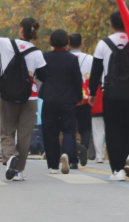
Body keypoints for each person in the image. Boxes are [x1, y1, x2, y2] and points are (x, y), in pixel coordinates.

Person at [0, 15, 47, 181]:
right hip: (29, 98)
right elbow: (44, 75)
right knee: (25, 135)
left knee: (7, 131)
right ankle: (19, 170)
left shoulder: (6, 43)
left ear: (21, 29)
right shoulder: (37, 53)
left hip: (7, 96)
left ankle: (10, 157)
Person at [89, 11, 129, 181]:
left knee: (113, 130)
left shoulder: (103, 44)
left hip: (111, 93)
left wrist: (92, 92)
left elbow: (96, 71)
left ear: (111, 24)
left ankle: (117, 169)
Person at [40, 30, 83, 174]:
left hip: (49, 98)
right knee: (69, 130)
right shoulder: (71, 59)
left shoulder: (44, 57)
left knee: (50, 131)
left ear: (51, 41)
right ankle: (66, 153)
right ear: (67, 42)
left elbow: (40, 75)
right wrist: (79, 97)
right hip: (68, 99)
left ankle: (53, 165)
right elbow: (78, 80)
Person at [69, 33, 93, 168]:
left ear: (68, 43)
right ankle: (83, 146)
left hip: (70, 98)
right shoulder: (90, 59)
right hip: (86, 98)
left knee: (70, 129)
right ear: (81, 44)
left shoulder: (66, 58)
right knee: (85, 127)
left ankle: (73, 158)